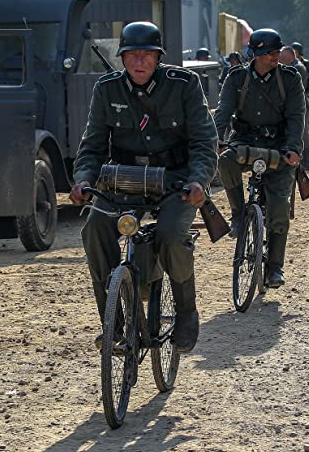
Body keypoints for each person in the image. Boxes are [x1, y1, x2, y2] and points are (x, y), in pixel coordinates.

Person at [69, 21, 217, 353]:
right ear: (122, 58)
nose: (139, 63)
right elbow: (92, 146)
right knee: (94, 228)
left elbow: (204, 142)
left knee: (169, 236)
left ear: (158, 57)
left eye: (146, 55)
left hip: (175, 181)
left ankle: (186, 312)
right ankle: (114, 325)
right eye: (131, 55)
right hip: (123, 180)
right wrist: (83, 180)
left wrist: (199, 179)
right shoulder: (107, 89)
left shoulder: (184, 85)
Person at [214, 29, 306, 288]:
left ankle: (275, 267)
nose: (275, 57)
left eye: (277, 52)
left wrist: (293, 149)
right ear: (255, 54)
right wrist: (213, 140)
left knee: (278, 209)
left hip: (279, 147)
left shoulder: (289, 79)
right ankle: (238, 215)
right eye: (269, 53)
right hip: (244, 142)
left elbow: (297, 116)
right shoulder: (237, 78)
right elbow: (223, 111)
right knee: (226, 161)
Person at [281, 45, 309, 170]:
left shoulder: (297, 68)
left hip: (300, 104)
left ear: (288, 57)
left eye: (282, 57)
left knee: (304, 134)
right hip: (297, 104)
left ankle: (307, 161)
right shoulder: (295, 66)